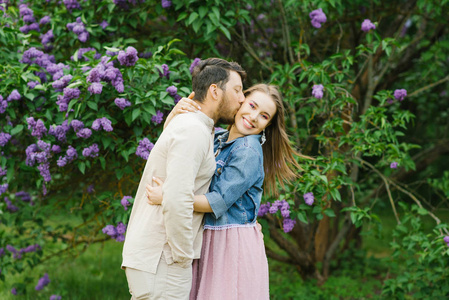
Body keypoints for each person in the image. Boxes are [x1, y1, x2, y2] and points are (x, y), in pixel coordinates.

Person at [147, 84, 303, 300]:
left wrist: (169, 197)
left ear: (267, 125)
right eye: (252, 105)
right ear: (240, 101)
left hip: (229, 243)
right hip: (209, 236)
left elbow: (216, 201)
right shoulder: (218, 136)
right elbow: (178, 149)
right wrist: (174, 115)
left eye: (264, 116)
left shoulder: (248, 151)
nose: (254, 116)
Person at [121, 58, 246, 300]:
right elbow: (177, 200)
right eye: (237, 90)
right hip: (164, 258)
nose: (242, 99)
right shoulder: (193, 131)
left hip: (158, 256)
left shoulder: (194, 126)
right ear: (214, 91)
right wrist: (182, 255)